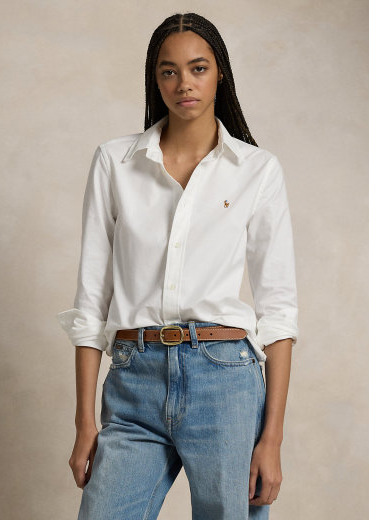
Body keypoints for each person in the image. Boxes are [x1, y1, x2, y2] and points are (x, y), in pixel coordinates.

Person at [57, 12, 298, 520]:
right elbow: (91, 303)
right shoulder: (114, 163)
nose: (183, 83)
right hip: (133, 379)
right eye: (169, 71)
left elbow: (278, 312)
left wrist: (272, 438)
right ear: (155, 79)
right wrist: (84, 423)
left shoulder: (257, 171)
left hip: (225, 380)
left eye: (198, 68)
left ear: (219, 73)